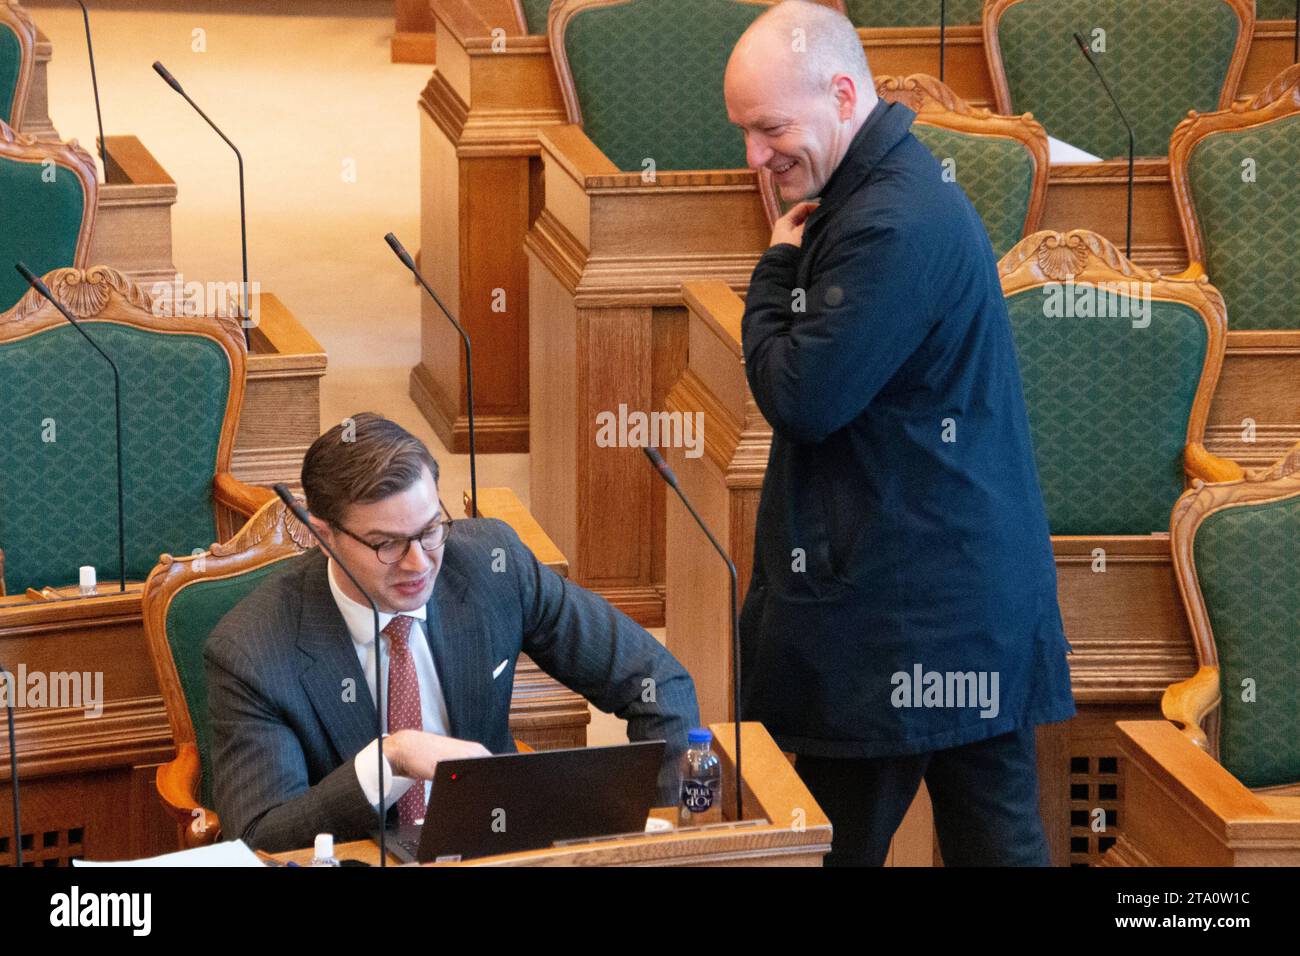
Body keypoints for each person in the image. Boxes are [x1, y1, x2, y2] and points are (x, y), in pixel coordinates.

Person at [723, 1, 1075, 865]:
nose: (756, 158)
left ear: (843, 93)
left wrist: (773, 270)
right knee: (995, 842)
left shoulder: (889, 222)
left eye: (769, 128)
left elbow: (801, 395)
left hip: (903, 621)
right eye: (744, 131)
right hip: (959, 604)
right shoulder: (888, 191)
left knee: (830, 846)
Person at [206, 413, 699, 852]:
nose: (419, 563)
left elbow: (657, 682)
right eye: (386, 545)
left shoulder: (491, 566)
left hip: (500, 846)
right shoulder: (251, 651)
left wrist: (652, 835)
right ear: (323, 535)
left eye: (429, 529)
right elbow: (260, 835)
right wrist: (391, 760)